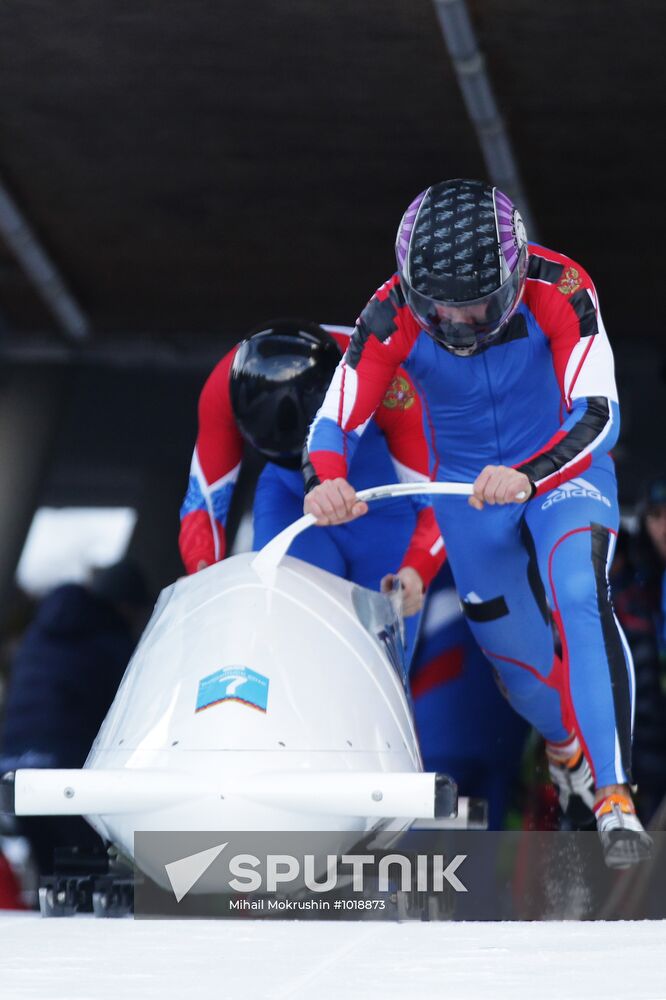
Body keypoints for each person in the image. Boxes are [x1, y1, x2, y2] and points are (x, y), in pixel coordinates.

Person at [302, 178, 651, 867]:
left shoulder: (564, 287)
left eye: (481, 304)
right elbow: (335, 417)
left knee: (580, 594)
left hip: (561, 470)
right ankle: (565, 749)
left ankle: (615, 798)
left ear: (516, 275)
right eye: (443, 309)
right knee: (516, 664)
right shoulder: (389, 310)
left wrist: (529, 472)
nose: (461, 321)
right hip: (467, 493)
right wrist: (325, 477)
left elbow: (599, 412)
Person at [178, 319, 446, 660]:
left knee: (378, 656)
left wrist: (418, 570)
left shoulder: (389, 377)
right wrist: (204, 575)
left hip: (386, 515)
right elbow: (203, 503)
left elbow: (435, 502)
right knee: (283, 638)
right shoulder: (223, 389)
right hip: (294, 508)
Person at [0, 560, 151, 875]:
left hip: (15, 767)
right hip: (66, 769)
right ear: (125, 606)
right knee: (90, 865)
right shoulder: (112, 641)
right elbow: (133, 709)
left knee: (53, 874)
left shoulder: (38, 633)